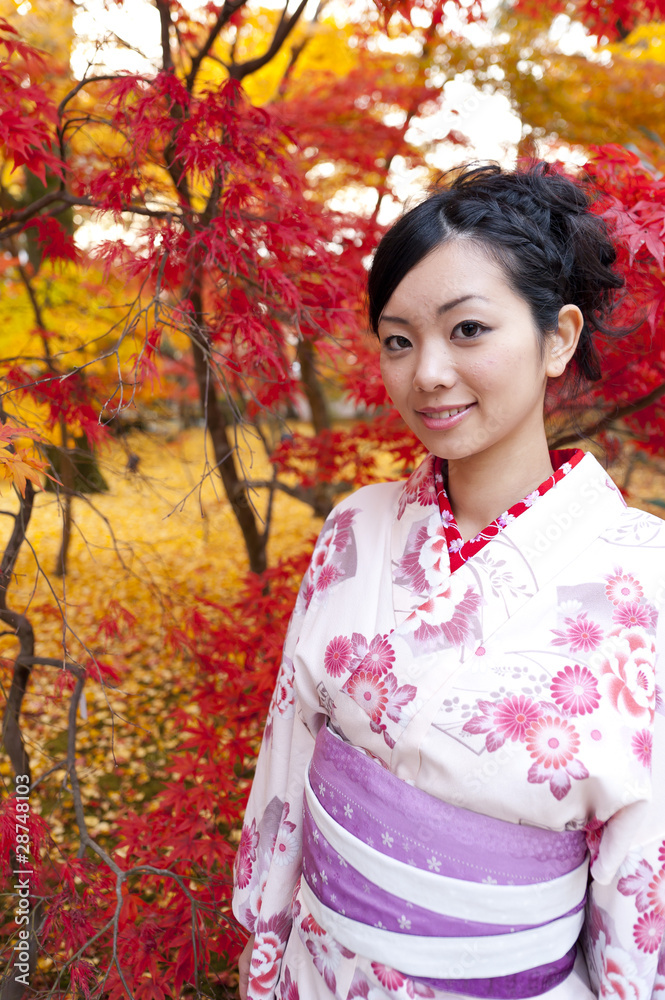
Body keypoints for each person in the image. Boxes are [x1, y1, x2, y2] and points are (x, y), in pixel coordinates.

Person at [232, 162, 665, 1000]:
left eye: (466, 330)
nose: (425, 372)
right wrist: (266, 947)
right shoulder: (356, 529)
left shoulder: (644, 573)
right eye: (398, 339)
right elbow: (287, 761)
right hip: (315, 976)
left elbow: (644, 866)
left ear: (558, 337)